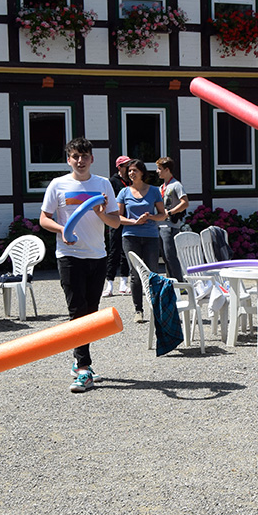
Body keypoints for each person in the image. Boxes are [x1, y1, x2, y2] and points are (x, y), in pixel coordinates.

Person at [39, 137, 121, 392]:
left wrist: (100, 213)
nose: (80, 161)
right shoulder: (58, 185)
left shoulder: (103, 184)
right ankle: (84, 367)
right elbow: (44, 218)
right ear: (68, 159)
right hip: (69, 256)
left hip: (97, 255)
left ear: (92, 159)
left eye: (84, 156)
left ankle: (79, 362)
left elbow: (116, 223)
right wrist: (63, 229)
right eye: (75, 156)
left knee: (91, 312)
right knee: (77, 312)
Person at [116, 157, 166, 323]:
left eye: (134, 170)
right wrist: (134, 222)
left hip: (151, 236)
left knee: (153, 272)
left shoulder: (153, 191)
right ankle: (138, 310)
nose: (131, 173)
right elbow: (117, 217)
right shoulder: (124, 192)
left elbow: (162, 214)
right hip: (130, 236)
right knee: (135, 274)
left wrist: (151, 217)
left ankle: (156, 307)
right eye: (129, 170)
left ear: (142, 172)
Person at [156, 156, 189, 278]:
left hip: (170, 226)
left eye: (160, 169)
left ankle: (179, 284)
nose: (157, 171)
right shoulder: (161, 187)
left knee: (171, 256)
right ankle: (172, 282)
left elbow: (185, 203)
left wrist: (170, 213)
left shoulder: (176, 185)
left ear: (167, 170)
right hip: (160, 225)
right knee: (165, 256)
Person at [103, 155, 132, 297]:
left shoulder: (132, 182)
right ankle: (109, 284)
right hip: (116, 220)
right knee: (114, 251)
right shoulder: (113, 181)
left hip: (129, 220)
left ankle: (124, 283)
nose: (130, 169)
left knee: (125, 252)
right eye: (127, 166)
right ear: (120, 167)